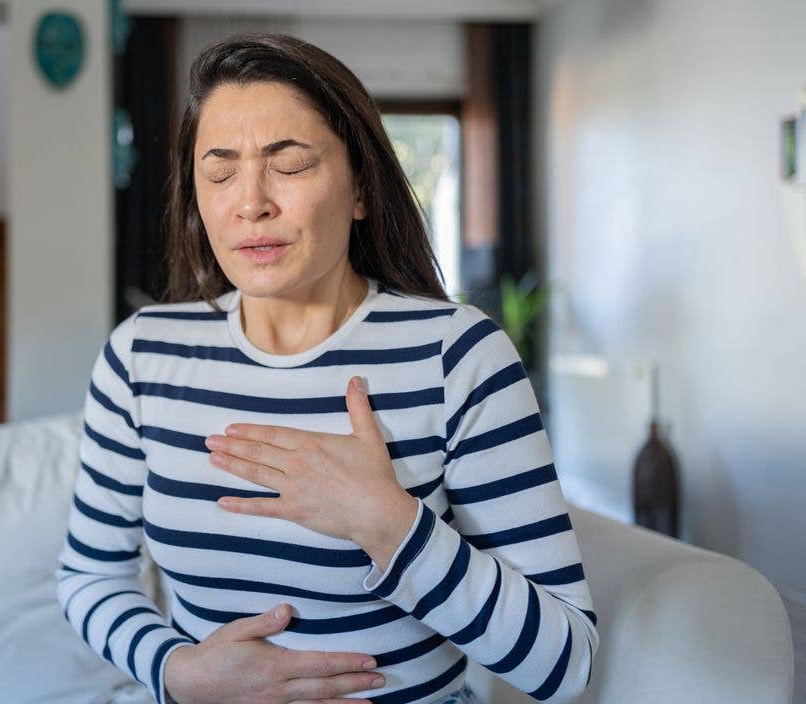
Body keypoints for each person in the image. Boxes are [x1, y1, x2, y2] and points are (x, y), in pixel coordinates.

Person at [55, 32, 598, 704]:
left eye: (289, 164)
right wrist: (176, 672)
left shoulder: (456, 354)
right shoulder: (143, 355)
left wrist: (385, 522)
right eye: (220, 172)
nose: (251, 202)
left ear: (361, 187)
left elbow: (565, 663)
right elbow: (90, 576)